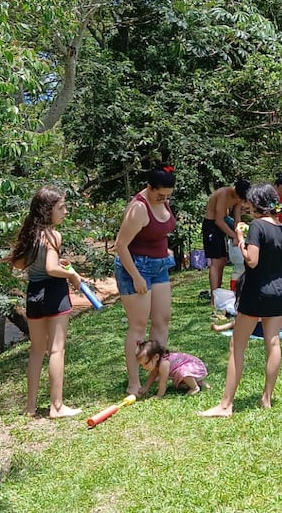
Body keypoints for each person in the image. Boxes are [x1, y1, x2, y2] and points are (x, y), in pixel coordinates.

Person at [200, 183, 282, 418]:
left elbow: (252, 260)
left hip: (256, 291)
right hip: (279, 290)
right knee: (273, 343)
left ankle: (225, 405)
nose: (246, 206)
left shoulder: (257, 226)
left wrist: (240, 238)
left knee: (237, 346)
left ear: (256, 203)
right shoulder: (281, 227)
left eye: (249, 203)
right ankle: (266, 398)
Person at [6, 186, 82, 418]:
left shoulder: (30, 234)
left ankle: (30, 408)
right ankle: (57, 407)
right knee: (57, 349)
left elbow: (18, 265)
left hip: (34, 293)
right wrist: (71, 274)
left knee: (37, 350)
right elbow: (50, 268)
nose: (65, 212)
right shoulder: (53, 235)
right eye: (61, 208)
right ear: (47, 211)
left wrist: (58, 263)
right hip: (54, 293)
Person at [114, 166, 177, 396]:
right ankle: (133, 382)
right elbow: (120, 245)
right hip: (136, 267)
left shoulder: (162, 199)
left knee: (162, 319)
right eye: (160, 195)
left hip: (159, 265)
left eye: (168, 196)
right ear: (149, 188)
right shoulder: (138, 208)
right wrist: (136, 276)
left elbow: (159, 230)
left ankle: (157, 372)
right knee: (138, 325)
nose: (164, 199)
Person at [202, 179, 250, 295]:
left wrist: (239, 233)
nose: (239, 200)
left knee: (223, 260)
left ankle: (218, 291)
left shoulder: (239, 197)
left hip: (222, 225)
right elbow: (218, 220)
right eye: (239, 197)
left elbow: (237, 219)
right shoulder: (224, 193)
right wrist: (234, 235)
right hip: (211, 225)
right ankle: (214, 296)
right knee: (216, 261)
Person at [135, 339, 209, 398]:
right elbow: (153, 375)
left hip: (195, 366)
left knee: (182, 372)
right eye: (142, 365)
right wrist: (145, 387)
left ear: (156, 357)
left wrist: (159, 395)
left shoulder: (164, 364)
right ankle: (200, 383)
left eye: (146, 363)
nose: (144, 367)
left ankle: (195, 387)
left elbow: (163, 382)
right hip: (191, 368)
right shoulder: (157, 362)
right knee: (180, 384)